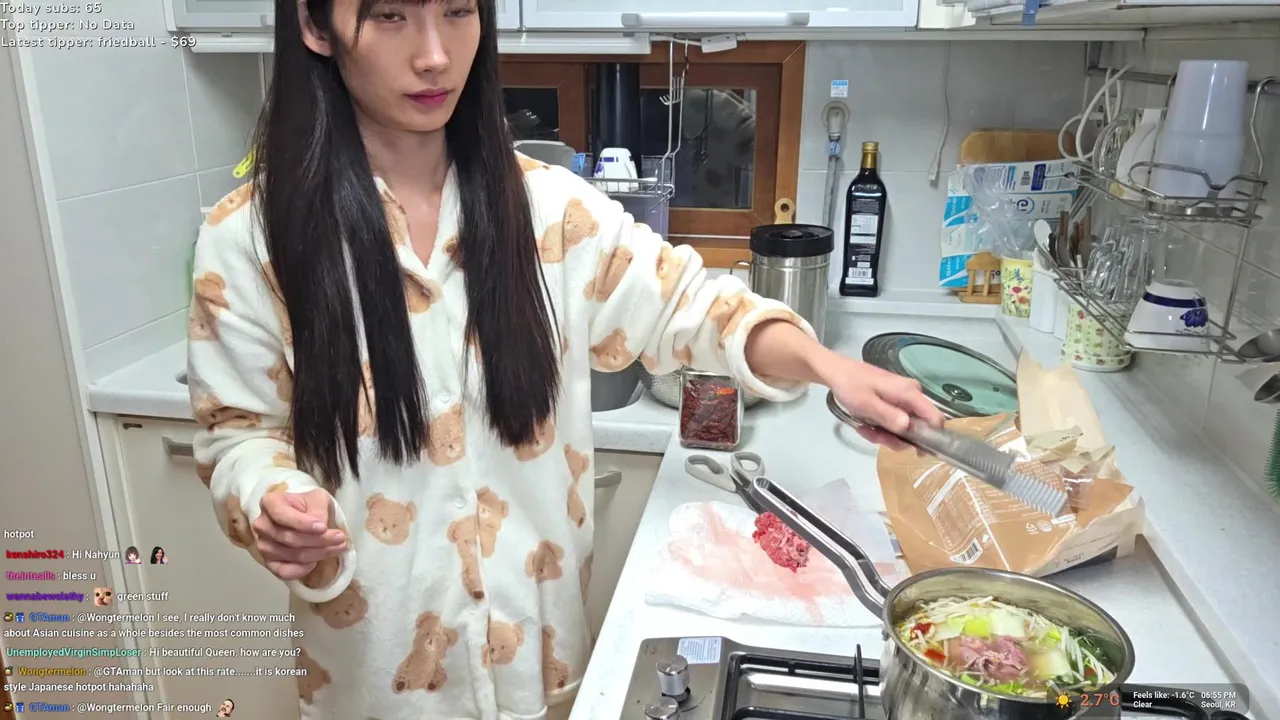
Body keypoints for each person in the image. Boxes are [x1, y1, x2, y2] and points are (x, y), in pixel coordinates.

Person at [185, 1, 944, 719]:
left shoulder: (548, 210)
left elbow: (687, 303)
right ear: (315, 23)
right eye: (390, 15)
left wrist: (831, 368)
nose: (435, 54)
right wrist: (271, 498)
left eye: (458, 11)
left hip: (540, 663)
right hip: (377, 676)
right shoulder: (252, 237)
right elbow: (237, 435)